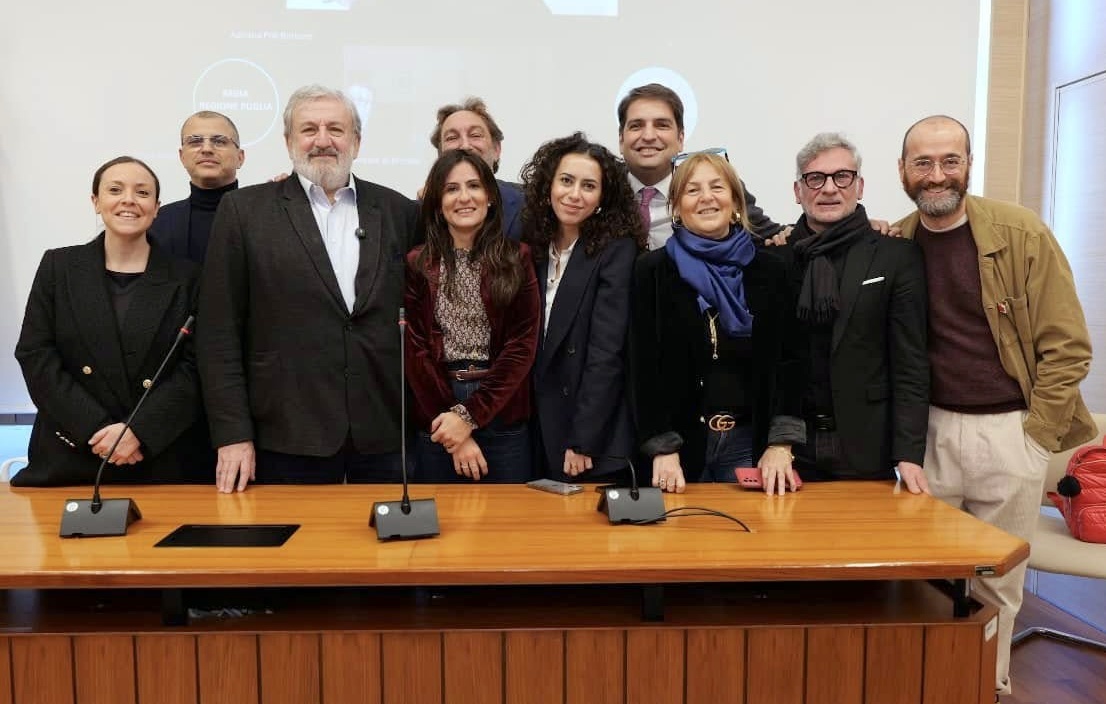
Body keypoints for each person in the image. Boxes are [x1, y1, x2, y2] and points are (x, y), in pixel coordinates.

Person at [896, 115, 1095, 699]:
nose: (937, 175)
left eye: (949, 161)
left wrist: (1035, 436)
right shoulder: (897, 241)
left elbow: (1069, 346)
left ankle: (988, 685)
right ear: (903, 170)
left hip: (1009, 430)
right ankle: (927, 684)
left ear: (968, 164)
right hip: (926, 434)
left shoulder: (1021, 233)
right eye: (923, 163)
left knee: (997, 581)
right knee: (927, 577)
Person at [197, 85, 418, 491]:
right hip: (285, 434)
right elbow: (218, 334)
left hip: (385, 433)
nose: (322, 140)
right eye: (308, 129)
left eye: (335, 128)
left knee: (391, 553)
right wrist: (232, 434)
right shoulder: (245, 212)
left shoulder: (399, 212)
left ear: (356, 141)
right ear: (288, 141)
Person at [13, 156, 210, 486]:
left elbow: (195, 367)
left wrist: (139, 432)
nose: (129, 200)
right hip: (71, 454)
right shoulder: (58, 267)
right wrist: (96, 429)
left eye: (142, 192)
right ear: (96, 201)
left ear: (157, 207)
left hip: (160, 458)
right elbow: (36, 355)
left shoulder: (188, 277)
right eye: (115, 189)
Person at [759, 133, 929, 495]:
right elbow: (768, 362)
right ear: (798, 190)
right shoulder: (774, 259)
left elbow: (910, 363)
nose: (829, 189)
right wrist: (775, 441)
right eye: (815, 178)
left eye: (842, 177)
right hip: (788, 447)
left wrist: (909, 454)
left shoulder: (895, 255)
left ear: (860, 185)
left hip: (868, 444)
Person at [630, 150, 798, 493]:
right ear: (676, 207)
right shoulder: (653, 271)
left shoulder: (772, 269)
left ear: (735, 201)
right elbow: (641, 366)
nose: (706, 197)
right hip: (678, 448)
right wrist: (662, 447)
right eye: (692, 190)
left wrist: (781, 444)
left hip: (751, 446)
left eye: (717, 187)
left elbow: (790, 360)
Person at [405, 149, 539, 482]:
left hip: (503, 406)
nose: (464, 197)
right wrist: (452, 421)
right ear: (437, 202)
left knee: (506, 525)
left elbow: (522, 345)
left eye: (474, 186)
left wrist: (469, 417)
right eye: (451, 189)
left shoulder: (517, 258)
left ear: (490, 197)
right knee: (440, 524)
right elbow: (415, 349)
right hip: (437, 407)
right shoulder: (417, 263)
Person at [519, 133, 645, 482]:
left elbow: (606, 353)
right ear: (549, 185)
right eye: (566, 181)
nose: (575, 195)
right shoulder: (534, 245)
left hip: (589, 438)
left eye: (589, 186)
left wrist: (582, 439)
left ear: (603, 197)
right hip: (538, 426)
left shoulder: (616, 250)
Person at [616, 84, 784, 250]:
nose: (648, 136)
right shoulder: (599, 188)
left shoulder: (714, 188)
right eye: (636, 126)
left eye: (662, 125)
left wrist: (787, 235)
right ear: (621, 140)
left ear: (680, 139)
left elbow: (771, 234)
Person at [151, 111, 245, 263]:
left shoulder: (266, 215)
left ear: (240, 157)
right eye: (195, 142)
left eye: (219, 141)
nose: (206, 149)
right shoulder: (158, 222)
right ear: (182, 157)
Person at [429, 97, 524, 240]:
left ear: (496, 149)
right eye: (452, 138)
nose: (465, 145)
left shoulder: (529, 204)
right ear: (440, 154)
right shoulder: (422, 211)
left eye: (475, 135)